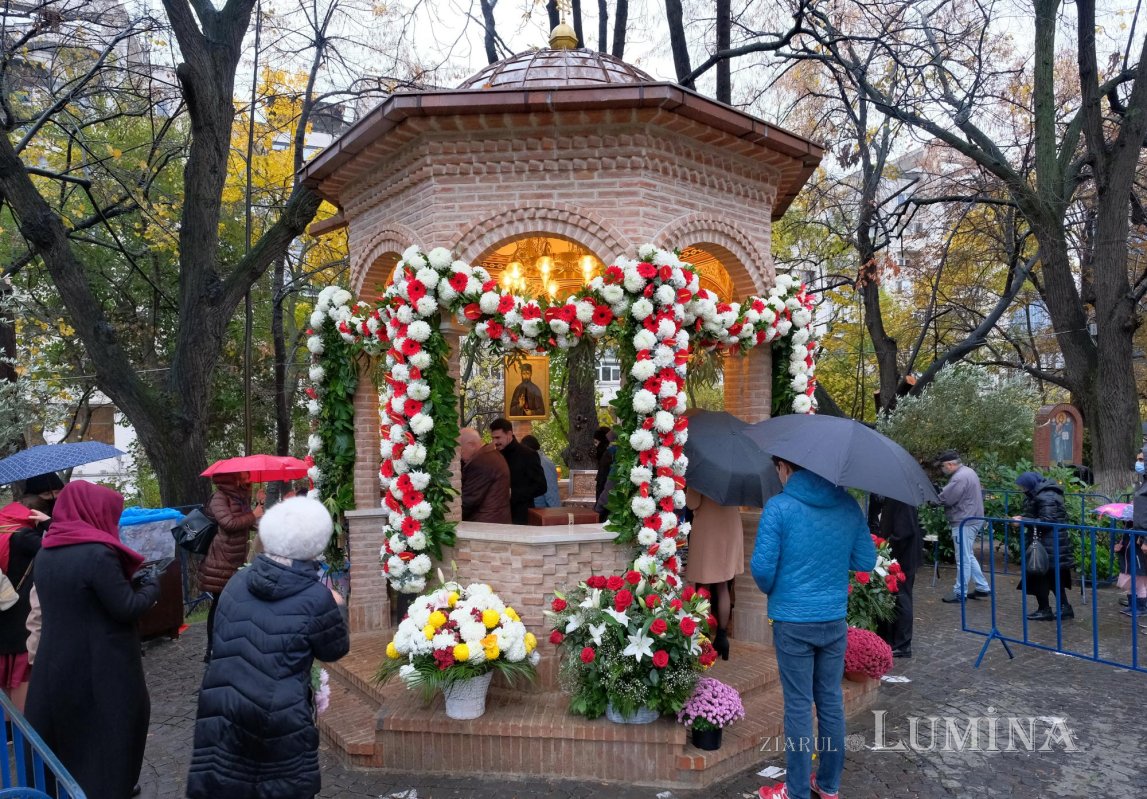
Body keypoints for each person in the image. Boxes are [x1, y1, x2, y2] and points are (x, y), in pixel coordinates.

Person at [186, 496, 350, 799]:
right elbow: (334, 649)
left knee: (228, 783)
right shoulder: (316, 598)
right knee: (280, 786)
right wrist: (336, 607)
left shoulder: (237, 583)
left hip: (225, 706)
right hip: (279, 716)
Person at [25, 481, 161, 799]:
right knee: (111, 737)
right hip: (103, 668)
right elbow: (126, 607)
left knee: (74, 740)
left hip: (56, 664)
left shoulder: (48, 551)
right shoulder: (97, 554)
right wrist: (152, 587)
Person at [752, 457, 876, 799]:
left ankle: (795, 792)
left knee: (798, 706)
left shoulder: (779, 507)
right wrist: (834, 560)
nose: (777, 472)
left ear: (787, 468)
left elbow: (762, 571)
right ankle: (828, 786)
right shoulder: (848, 505)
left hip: (793, 621)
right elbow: (865, 560)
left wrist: (780, 587)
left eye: (778, 467)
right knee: (831, 702)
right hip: (832, 619)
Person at [198, 471, 261, 662]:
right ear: (233, 476)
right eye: (245, 474)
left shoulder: (240, 496)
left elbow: (246, 523)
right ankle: (211, 650)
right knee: (219, 604)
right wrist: (253, 514)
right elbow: (228, 523)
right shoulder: (219, 497)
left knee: (232, 603)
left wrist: (260, 509)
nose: (249, 476)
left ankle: (230, 642)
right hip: (221, 559)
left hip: (236, 559)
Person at [0, 502, 48, 711]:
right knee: (22, 670)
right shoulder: (23, 538)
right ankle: (23, 730)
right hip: (22, 613)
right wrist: (46, 525)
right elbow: (55, 546)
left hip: (3, 611)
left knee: (6, 668)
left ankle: (7, 732)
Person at [684, 487, 742, 661]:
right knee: (723, 584)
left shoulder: (702, 472)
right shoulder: (734, 471)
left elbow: (692, 503)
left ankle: (704, 637)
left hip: (707, 529)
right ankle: (722, 637)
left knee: (703, 585)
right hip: (730, 526)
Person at [1013, 471, 1073, 621]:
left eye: (1023, 486)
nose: (1022, 489)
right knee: (1051, 577)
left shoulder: (1046, 495)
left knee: (1042, 575)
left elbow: (1047, 520)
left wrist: (1023, 520)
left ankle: (1047, 609)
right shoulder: (1040, 493)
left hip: (1049, 542)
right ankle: (1063, 608)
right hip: (1047, 542)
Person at [936, 450, 991, 603]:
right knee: (968, 555)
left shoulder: (959, 477)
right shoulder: (969, 471)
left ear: (950, 464)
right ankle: (982, 587)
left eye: (943, 466)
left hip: (964, 521)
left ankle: (960, 593)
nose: (942, 469)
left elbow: (946, 498)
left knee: (963, 558)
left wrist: (933, 500)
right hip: (973, 518)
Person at [877, 496, 923, 657]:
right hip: (900, 554)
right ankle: (894, 638)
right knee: (897, 597)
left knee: (902, 597)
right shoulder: (896, 495)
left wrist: (888, 545)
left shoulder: (901, 497)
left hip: (903, 556)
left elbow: (905, 530)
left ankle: (903, 644)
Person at [489, 418, 547, 525]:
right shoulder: (493, 456)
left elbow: (541, 486)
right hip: (497, 517)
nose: (495, 442)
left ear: (509, 434)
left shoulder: (528, 455)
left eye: (498, 437)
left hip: (521, 518)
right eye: (492, 438)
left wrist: (513, 493)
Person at [459, 427, 511, 523]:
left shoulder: (481, 462)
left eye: (460, 450)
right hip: (496, 521)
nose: (460, 456)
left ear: (471, 444)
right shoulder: (492, 455)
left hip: (485, 525)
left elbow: (468, 501)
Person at [1122, 447, 1147, 619]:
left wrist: (1145, 538)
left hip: (1143, 536)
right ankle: (1136, 604)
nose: (1139, 464)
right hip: (1138, 534)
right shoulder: (1143, 482)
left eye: (1142, 460)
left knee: (1140, 574)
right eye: (1138, 460)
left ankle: (1141, 605)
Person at [522, 434, 560, 508]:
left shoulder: (544, 464)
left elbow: (552, 495)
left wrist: (556, 516)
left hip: (544, 514)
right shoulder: (531, 463)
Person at [595, 429, 617, 522]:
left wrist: (598, 508)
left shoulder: (609, 454)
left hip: (608, 510)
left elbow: (610, 485)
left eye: (596, 442)